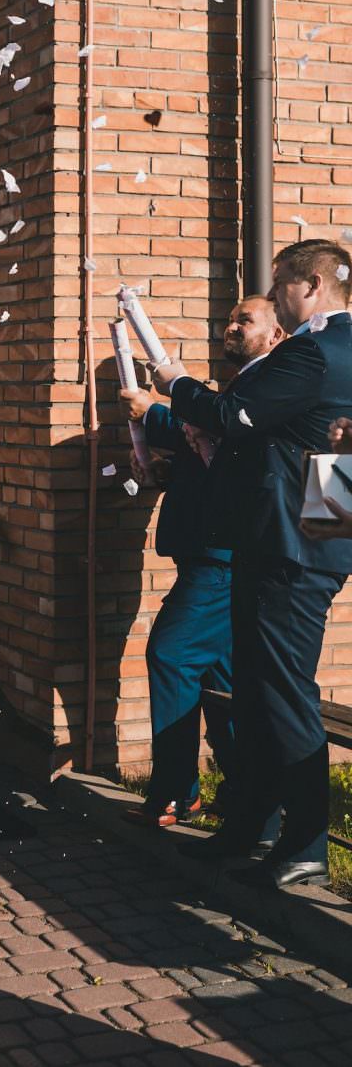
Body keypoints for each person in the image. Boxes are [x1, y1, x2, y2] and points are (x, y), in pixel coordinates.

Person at [148, 240, 352, 890]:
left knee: (281, 694)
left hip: (287, 549)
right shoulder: (337, 349)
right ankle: (249, 827)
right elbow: (327, 449)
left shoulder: (315, 351)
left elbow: (233, 415)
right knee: (258, 693)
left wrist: (175, 384)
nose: (276, 294)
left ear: (311, 285)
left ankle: (305, 842)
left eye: (282, 282)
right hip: (303, 537)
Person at [121, 296, 284, 830]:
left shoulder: (265, 386)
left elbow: (221, 432)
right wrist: (166, 468)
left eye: (245, 320)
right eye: (230, 318)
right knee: (222, 676)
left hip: (224, 560)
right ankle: (247, 796)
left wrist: (155, 412)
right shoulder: (238, 386)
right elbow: (211, 454)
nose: (231, 326)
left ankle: (176, 791)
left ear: (277, 335)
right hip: (208, 556)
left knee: (171, 654)